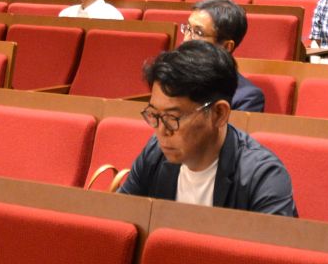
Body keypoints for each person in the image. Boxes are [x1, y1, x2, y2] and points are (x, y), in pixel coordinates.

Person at [118, 41, 296, 216]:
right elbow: (120, 219)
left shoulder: (263, 177)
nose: (161, 131)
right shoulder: (155, 153)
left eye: (173, 117)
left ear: (219, 114)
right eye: (154, 114)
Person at [181, 0, 266, 112]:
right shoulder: (171, 79)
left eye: (198, 33)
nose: (186, 40)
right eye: (187, 28)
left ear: (226, 47)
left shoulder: (246, 97)